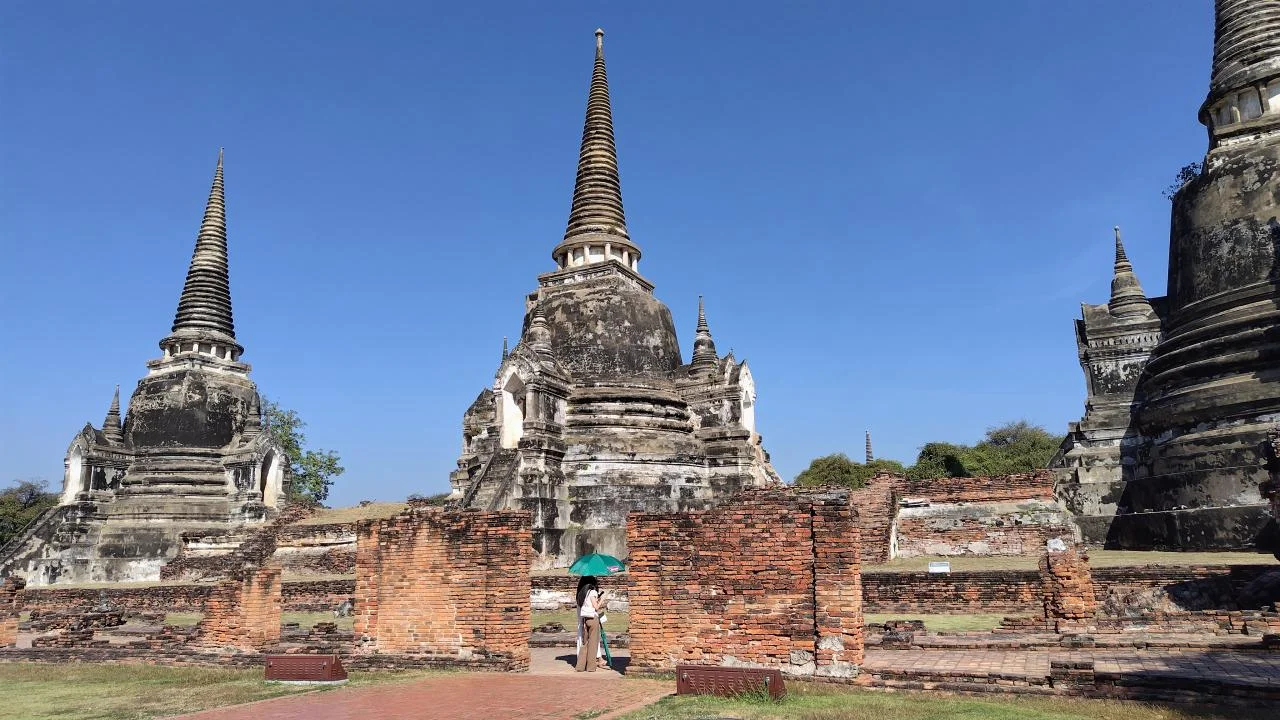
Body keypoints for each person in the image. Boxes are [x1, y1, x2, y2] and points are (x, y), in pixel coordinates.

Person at [575, 575, 605, 671]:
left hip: (584, 620)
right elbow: (596, 607)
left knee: (584, 643)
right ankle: (591, 666)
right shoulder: (592, 592)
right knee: (593, 643)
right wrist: (602, 599)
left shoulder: (581, 595)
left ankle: (581, 664)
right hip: (592, 618)